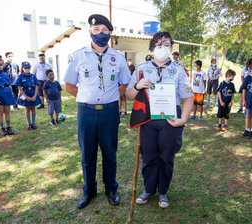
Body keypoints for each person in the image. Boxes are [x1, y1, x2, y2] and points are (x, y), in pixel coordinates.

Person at [64, 14, 131, 209]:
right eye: (96, 30)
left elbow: (125, 82)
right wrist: (87, 97)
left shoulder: (118, 58)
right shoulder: (78, 56)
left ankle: (111, 189)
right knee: (88, 154)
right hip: (86, 112)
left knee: (110, 153)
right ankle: (89, 191)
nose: (100, 34)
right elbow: (68, 85)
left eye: (104, 31)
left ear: (110, 33)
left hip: (110, 112)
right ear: (90, 32)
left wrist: (113, 96)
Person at [125, 31, 193, 208]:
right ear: (152, 47)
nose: (162, 48)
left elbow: (188, 98)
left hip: (170, 121)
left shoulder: (179, 70)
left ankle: (163, 191)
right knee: (149, 156)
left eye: (166, 44)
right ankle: (149, 189)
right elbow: (128, 95)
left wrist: (183, 120)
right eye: (158, 44)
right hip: (147, 119)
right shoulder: (141, 68)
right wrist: (137, 86)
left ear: (171, 47)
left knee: (166, 157)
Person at [16, 62, 41, 130]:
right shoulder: (20, 76)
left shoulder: (33, 76)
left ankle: (33, 123)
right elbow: (19, 88)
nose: (27, 69)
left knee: (33, 108)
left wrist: (35, 96)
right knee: (27, 109)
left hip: (33, 93)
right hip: (25, 93)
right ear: (22, 68)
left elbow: (36, 86)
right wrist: (26, 97)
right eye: (25, 68)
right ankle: (29, 124)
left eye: (28, 68)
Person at [240, 70, 252, 139]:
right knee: (248, 116)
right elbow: (244, 89)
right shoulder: (248, 77)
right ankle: (247, 129)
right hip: (248, 101)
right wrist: (244, 100)